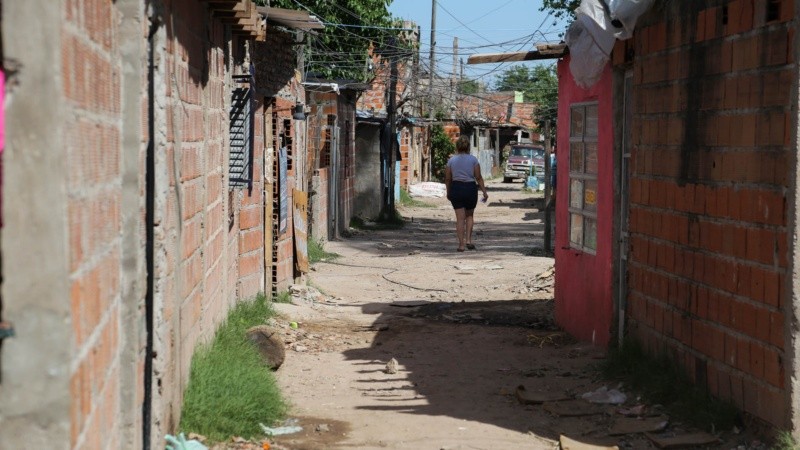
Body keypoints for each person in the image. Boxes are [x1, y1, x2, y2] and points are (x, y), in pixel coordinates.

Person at [445, 136, 489, 252]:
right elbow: (478, 177)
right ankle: (468, 240)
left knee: (460, 219)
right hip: (470, 188)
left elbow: (448, 179)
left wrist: (448, 192)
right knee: (469, 216)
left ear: (457, 146)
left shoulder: (451, 161)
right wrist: (484, 192)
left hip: (457, 188)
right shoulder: (473, 160)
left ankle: (461, 245)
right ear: (468, 147)